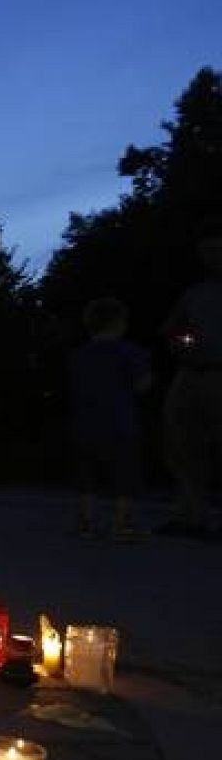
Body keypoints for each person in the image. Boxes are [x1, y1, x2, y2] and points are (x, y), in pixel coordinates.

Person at [157, 219, 222, 538]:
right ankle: (191, 515)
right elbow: (172, 329)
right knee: (182, 445)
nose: (208, 257)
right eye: (205, 252)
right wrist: (182, 343)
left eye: (214, 250)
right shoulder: (195, 294)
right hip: (191, 373)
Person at [68, 298, 151, 541]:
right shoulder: (128, 351)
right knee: (123, 475)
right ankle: (122, 523)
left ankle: (85, 522)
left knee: (88, 477)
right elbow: (143, 384)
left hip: (85, 425)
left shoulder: (79, 355)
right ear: (119, 323)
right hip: (120, 424)